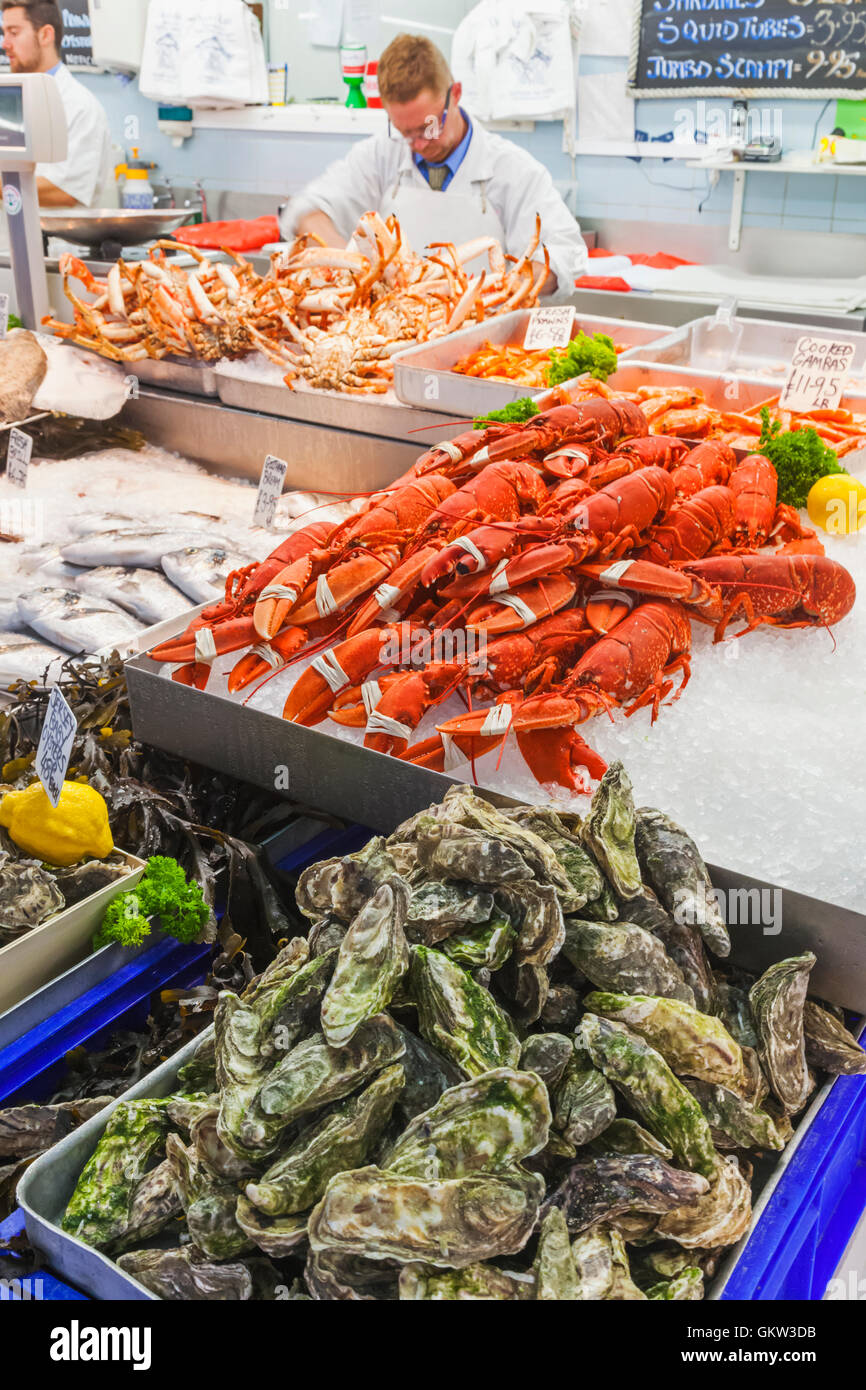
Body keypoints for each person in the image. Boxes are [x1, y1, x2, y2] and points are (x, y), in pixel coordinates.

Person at [284, 33, 587, 296]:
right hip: (390, 337)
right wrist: (353, 266)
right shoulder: (381, 154)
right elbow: (307, 211)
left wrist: (507, 286)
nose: (419, 144)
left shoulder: (514, 171)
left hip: (481, 337)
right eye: (405, 132)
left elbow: (564, 253)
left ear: (455, 94)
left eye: (429, 128)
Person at [1, 1, 111, 207]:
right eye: (4, 33)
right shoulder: (10, 101)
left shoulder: (79, 105)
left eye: (14, 33)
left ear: (45, 35)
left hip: (59, 238)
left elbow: (64, 191)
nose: (5, 44)